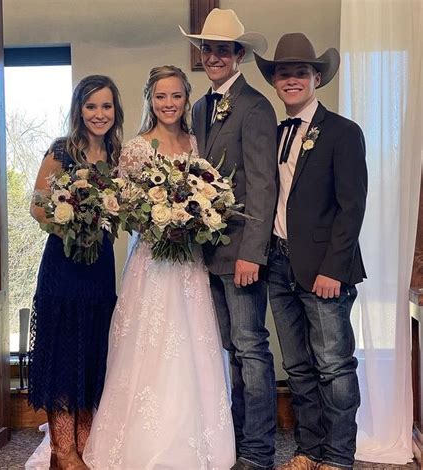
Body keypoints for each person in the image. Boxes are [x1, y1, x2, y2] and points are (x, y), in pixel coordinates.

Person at [83, 65, 235, 469]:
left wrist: (192, 217)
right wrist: (156, 214)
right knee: (148, 348)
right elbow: (126, 212)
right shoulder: (136, 148)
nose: (169, 104)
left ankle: (197, 442)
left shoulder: (196, 142)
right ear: (150, 100)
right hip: (152, 261)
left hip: (189, 263)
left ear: (186, 99)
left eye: (176, 96)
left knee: (192, 345)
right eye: (160, 96)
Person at [254, 33, 367, 470]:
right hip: (279, 265)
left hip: (325, 269)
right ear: (275, 81)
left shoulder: (342, 132)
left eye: (301, 72)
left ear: (316, 77)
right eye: (284, 73)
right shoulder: (277, 133)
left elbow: (352, 207)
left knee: (334, 367)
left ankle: (338, 458)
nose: (292, 80)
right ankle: (308, 451)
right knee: (298, 367)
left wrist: (333, 269)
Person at [180, 8, 277, 470]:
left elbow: (262, 186)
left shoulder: (256, 107)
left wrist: (252, 254)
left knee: (251, 348)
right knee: (226, 351)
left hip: (241, 254)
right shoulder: (198, 108)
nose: (214, 56)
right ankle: (233, 442)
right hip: (206, 254)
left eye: (223, 49)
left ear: (238, 55)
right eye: (208, 48)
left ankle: (258, 451)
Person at [28, 75, 123, 470]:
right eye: (91, 106)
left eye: (106, 106)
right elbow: (37, 206)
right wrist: (72, 223)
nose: (99, 114)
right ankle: (63, 452)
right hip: (63, 267)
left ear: (115, 111)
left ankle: (81, 451)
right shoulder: (60, 151)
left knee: (92, 357)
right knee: (64, 358)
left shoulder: (119, 156)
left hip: (100, 269)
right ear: (78, 110)